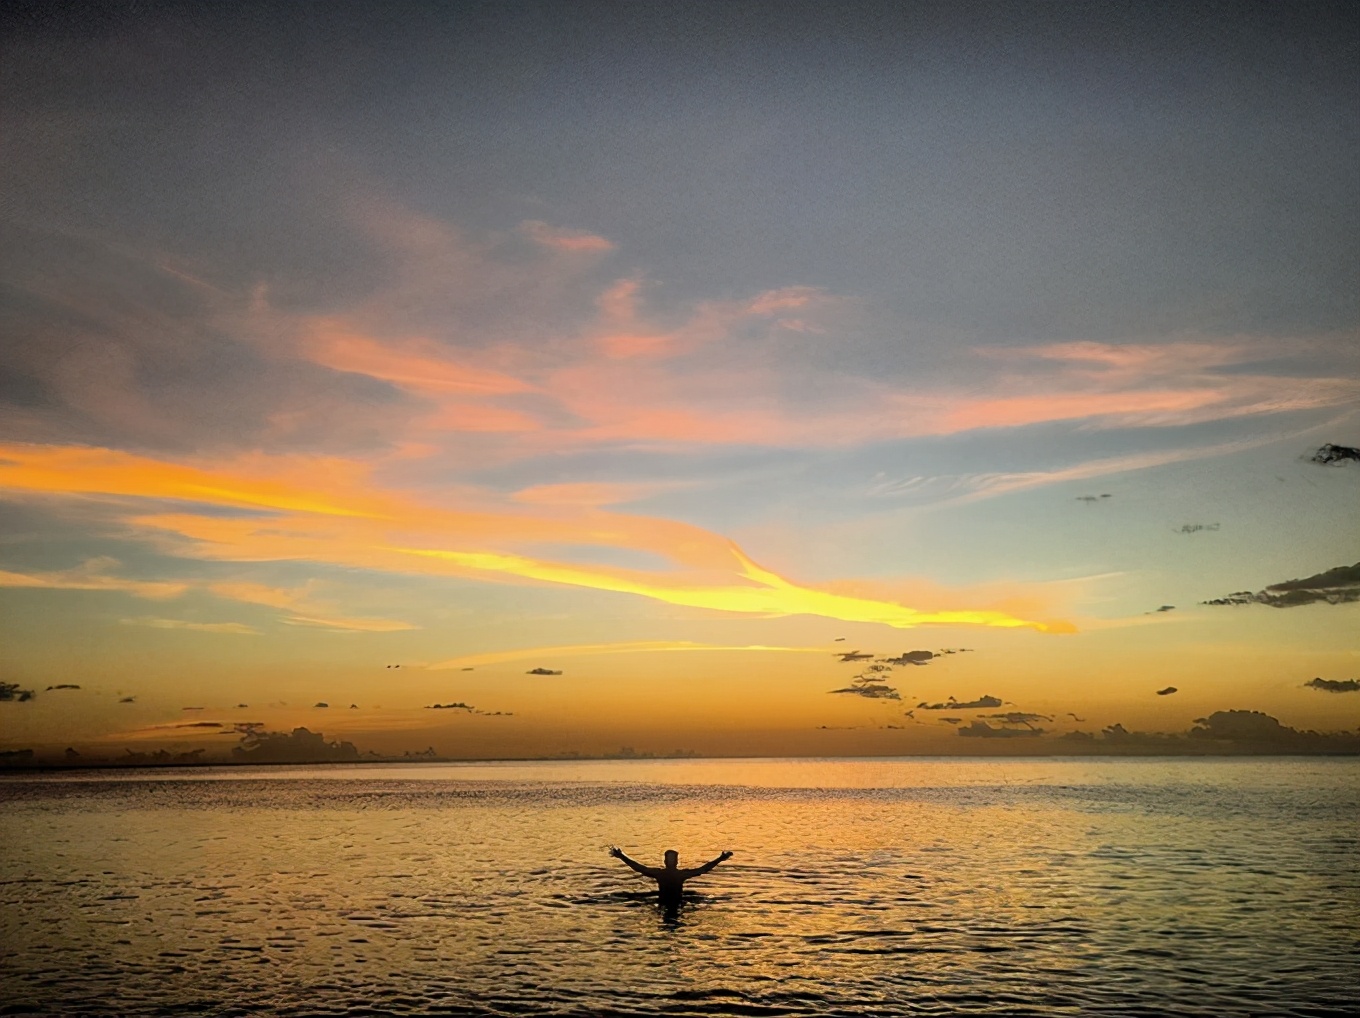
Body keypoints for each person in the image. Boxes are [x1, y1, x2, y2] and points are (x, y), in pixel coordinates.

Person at [608, 846, 733, 909]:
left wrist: (720, 859)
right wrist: (622, 856)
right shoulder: (671, 874)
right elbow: (639, 867)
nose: (672, 862)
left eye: (673, 859)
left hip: (667, 904)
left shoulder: (668, 874)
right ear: (666, 861)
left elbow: (703, 869)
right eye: (671, 859)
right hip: (674, 903)